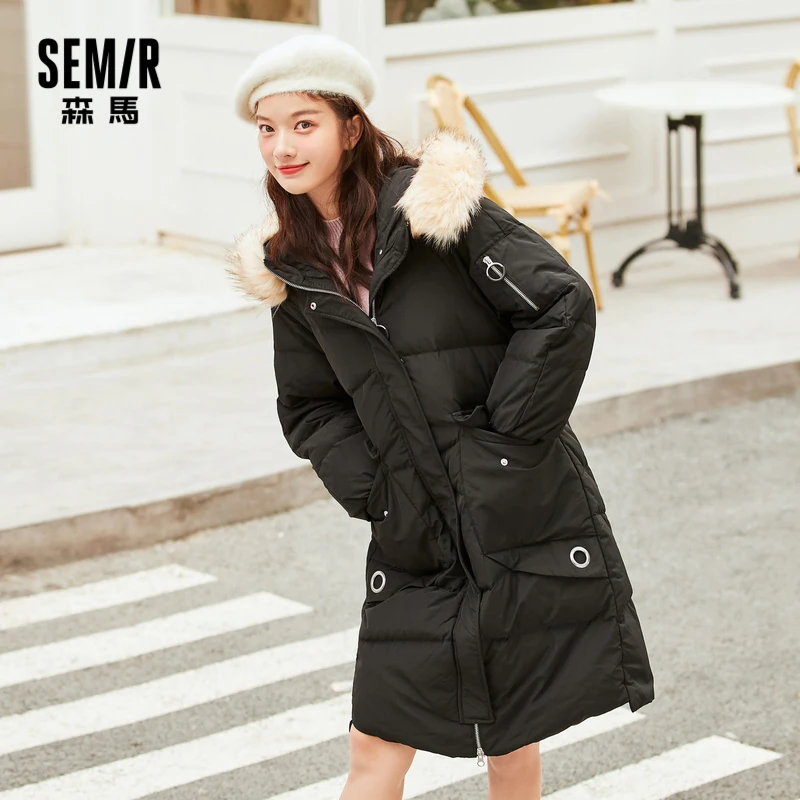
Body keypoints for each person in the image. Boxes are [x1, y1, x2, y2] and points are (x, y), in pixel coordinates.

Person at [228, 33, 654, 800]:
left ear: (350, 128)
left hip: (513, 507)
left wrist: (503, 442)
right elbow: (311, 404)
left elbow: (558, 304)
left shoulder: (436, 213)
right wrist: (377, 490)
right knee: (376, 743)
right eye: (267, 128)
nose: (282, 147)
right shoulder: (294, 268)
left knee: (512, 733)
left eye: (303, 124)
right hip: (414, 529)